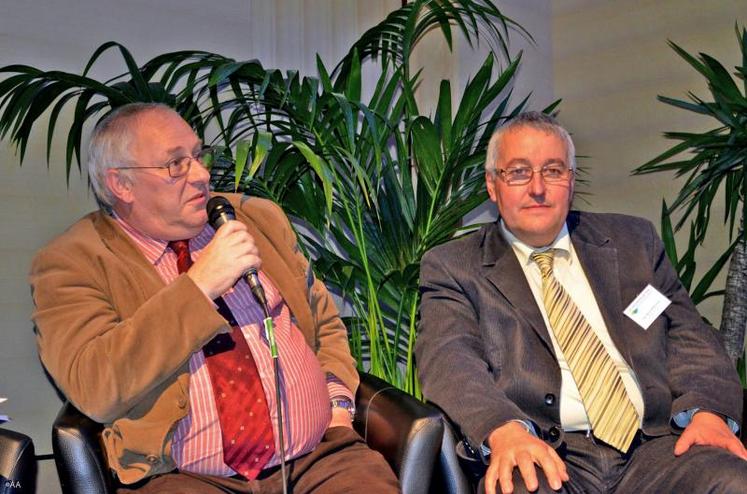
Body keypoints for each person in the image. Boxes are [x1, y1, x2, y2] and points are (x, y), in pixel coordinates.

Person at [29, 102, 399, 493]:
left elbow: (324, 325)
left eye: (198, 155)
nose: (203, 175)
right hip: (183, 478)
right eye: (175, 165)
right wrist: (199, 287)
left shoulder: (256, 220)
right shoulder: (73, 262)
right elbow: (96, 386)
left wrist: (338, 405)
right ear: (121, 184)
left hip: (318, 459)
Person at [415, 111, 747, 494]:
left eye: (553, 171)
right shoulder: (454, 265)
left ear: (570, 182)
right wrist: (503, 428)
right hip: (545, 450)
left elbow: (688, 334)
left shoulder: (633, 243)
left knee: (734, 480)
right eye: (519, 172)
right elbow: (450, 359)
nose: (538, 188)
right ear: (493, 186)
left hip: (654, 447)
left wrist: (707, 410)